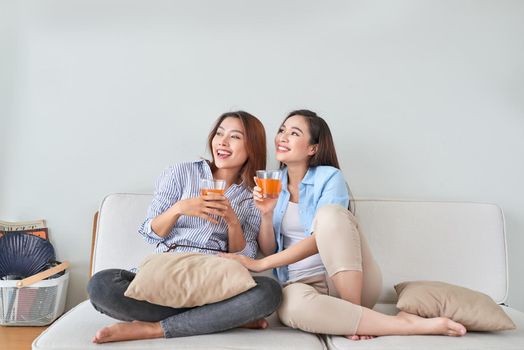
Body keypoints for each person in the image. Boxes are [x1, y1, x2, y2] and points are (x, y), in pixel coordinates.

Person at [221, 109, 467, 340]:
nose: (282, 138)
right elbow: (269, 247)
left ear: (312, 148)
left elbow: (321, 239)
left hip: (348, 282)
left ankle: (353, 312)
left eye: (294, 133)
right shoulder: (273, 183)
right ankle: (395, 323)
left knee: (330, 215)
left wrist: (260, 264)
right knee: (290, 309)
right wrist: (266, 214)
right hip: (300, 285)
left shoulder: (329, 177)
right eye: (282, 130)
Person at [87, 111, 282, 343]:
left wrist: (232, 220)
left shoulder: (252, 195)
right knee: (101, 285)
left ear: (252, 147)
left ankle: (156, 329)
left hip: (214, 278)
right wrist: (179, 208)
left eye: (235, 137)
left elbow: (247, 255)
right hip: (167, 269)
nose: (223, 141)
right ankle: (223, 318)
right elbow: (150, 233)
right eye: (219, 133)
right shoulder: (180, 173)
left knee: (269, 292)